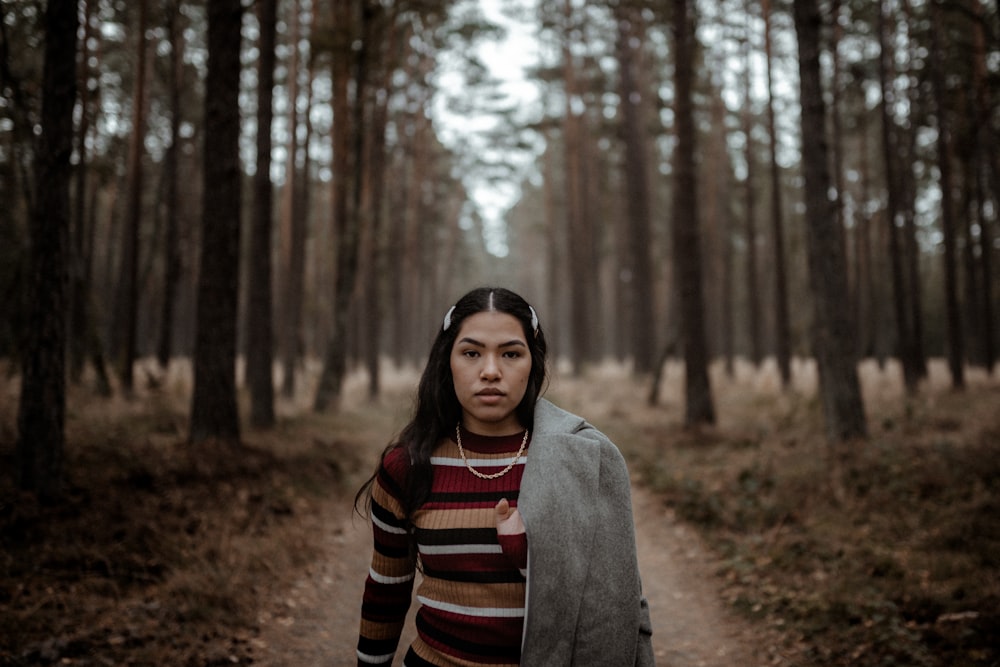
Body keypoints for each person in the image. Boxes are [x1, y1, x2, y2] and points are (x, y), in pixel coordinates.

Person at [355, 287, 654, 666]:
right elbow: (387, 590)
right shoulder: (407, 467)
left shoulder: (583, 459)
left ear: (534, 362)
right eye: (471, 353)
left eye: (511, 353)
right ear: (446, 361)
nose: (491, 371)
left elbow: (617, 600)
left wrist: (534, 556)